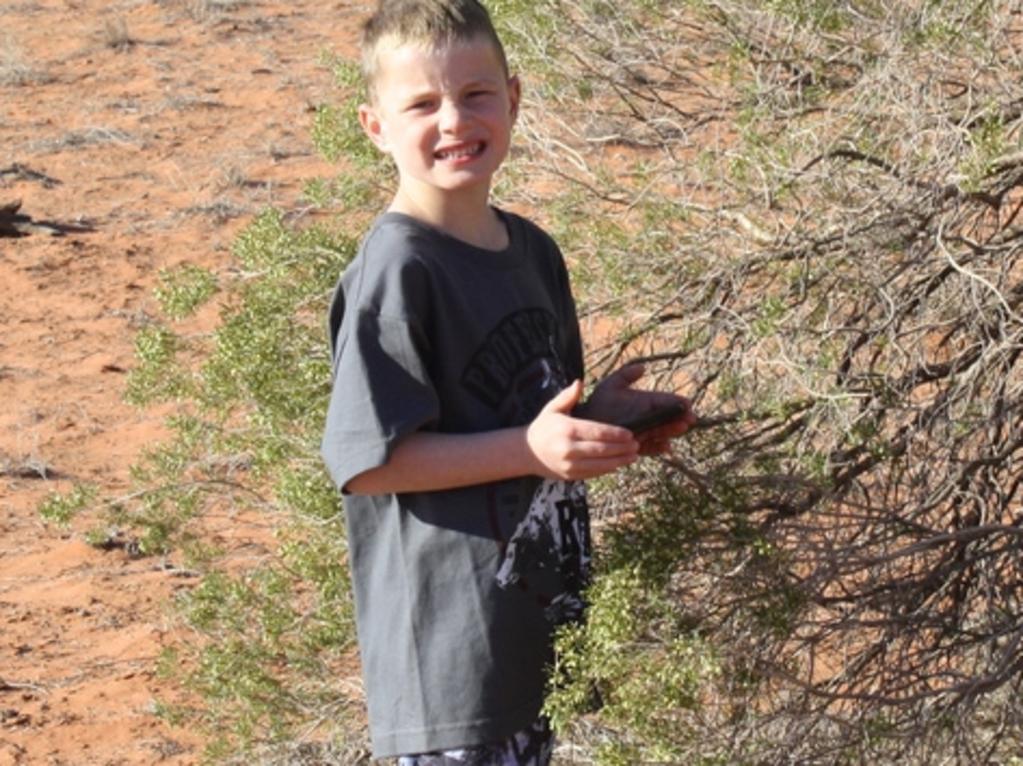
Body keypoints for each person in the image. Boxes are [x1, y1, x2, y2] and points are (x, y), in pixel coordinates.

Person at [320, 1, 696, 763]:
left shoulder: (532, 252)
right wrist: (530, 448)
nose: (454, 120)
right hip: (451, 667)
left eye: (476, 93)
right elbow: (367, 462)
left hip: (530, 640)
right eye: (421, 103)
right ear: (374, 126)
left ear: (514, 99)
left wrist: (601, 423)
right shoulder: (397, 271)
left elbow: (526, 421)